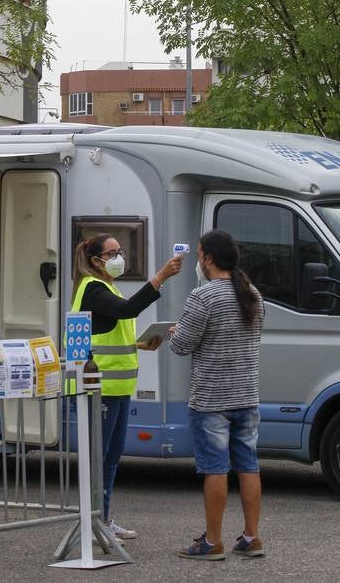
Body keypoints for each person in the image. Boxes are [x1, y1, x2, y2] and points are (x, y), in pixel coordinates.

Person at [70, 233, 183, 540]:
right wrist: (160, 277)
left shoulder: (106, 285)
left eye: (120, 251)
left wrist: (140, 344)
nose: (119, 257)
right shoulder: (91, 287)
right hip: (97, 387)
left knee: (112, 455)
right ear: (95, 260)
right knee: (100, 456)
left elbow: (109, 332)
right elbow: (127, 310)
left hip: (116, 388)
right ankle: (93, 522)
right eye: (112, 252)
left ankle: (103, 519)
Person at [170, 229, 265, 561]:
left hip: (211, 398)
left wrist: (175, 332)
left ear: (208, 258)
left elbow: (182, 345)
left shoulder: (203, 296)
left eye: (199, 254)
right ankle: (252, 537)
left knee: (215, 468)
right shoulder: (252, 294)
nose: (198, 260)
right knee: (249, 466)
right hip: (247, 395)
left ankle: (212, 541)